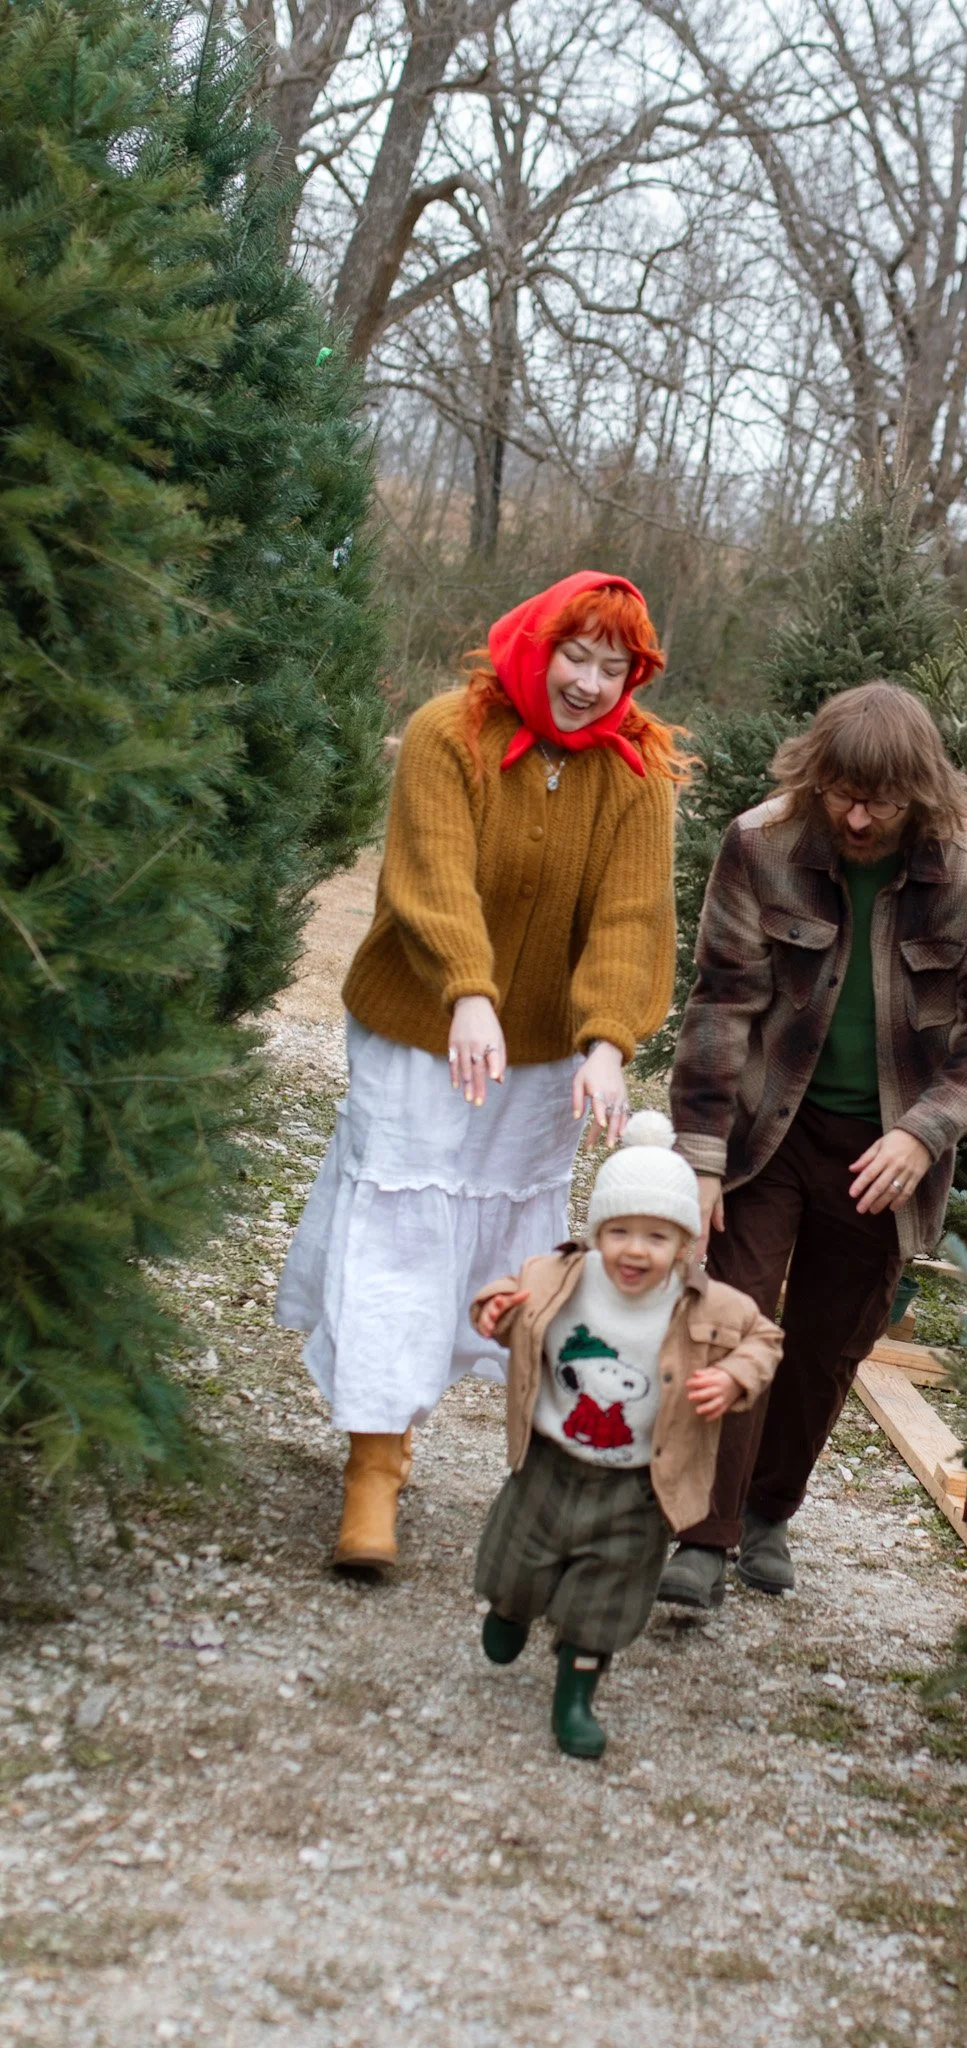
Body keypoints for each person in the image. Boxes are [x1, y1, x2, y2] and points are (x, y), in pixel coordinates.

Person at [276, 572, 685, 1578]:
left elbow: (631, 918)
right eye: (574, 655)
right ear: (534, 643)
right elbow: (430, 874)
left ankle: (414, 1418)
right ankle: (372, 1462)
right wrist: (468, 988)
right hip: (423, 1026)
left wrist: (605, 1039)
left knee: (490, 1253)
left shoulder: (637, 776)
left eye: (613, 666)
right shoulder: (445, 733)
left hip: (542, 1050)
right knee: (402, 1229)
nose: (589, 682)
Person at [661, 681, 967, 1610]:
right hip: (764, 1133)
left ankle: (766, 1513)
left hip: (886, 1148)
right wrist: (702, 1159)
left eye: (884, 801)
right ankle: (700, 1537)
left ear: (925, 794)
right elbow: (719, 1006)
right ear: (814, 777)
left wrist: (925, 1130)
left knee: (831, 1340)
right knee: (734, 1314)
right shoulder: (761, 844)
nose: (859, 818)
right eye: (840, 795)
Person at [470, 1112, 781, 1757]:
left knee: (607, 1599)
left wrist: (733, 1379)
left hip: (640, 1483)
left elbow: (763, 1340)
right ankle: (509, 1608)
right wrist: (492, 1309)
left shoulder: (707, 1305)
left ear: (687, 1244)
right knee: (516, 1563)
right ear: (595, 1233)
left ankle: (575, 1694)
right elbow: (508, 1299)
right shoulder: (561, 1278)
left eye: (657, 1236)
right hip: (552, 1464)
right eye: (619, 1232)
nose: (635, 1250)